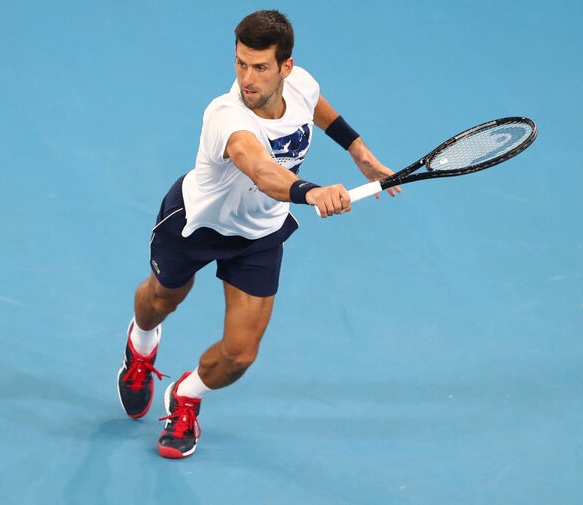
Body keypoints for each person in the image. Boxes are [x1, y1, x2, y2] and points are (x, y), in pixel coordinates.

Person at [117, 9, 400, 459]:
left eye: (260, 67)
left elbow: (317, 105)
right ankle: (141, 347)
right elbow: (261, 169)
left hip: (258, 234)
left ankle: (185, 396)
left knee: (240, 354)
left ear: (285, 67)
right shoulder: (226, 115)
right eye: (240, 63)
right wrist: (311, 193)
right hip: (197, 224)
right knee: (161, 300)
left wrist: (358, 150)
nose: (247, 78)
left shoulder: (301, 82)